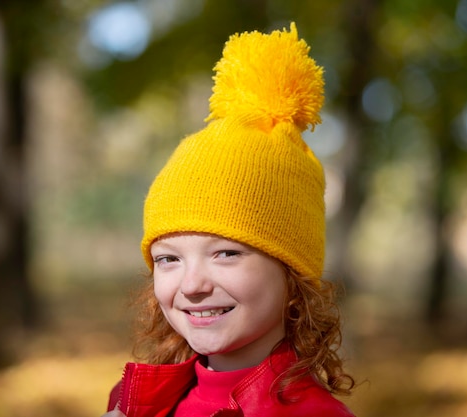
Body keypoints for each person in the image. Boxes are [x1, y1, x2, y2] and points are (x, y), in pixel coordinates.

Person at [103, 22, 356, 417]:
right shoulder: (139, 404)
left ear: (293, 275)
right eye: (169, 258)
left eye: (225, 253)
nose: (192, 285)